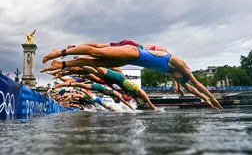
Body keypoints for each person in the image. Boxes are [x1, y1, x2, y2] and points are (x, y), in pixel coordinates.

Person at [41, 44, 223, 109]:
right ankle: (60, 53)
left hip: (134, 59)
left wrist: (207, 101)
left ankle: (62, 64)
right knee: (96, 53)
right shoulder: (179, 64)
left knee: (96, 63)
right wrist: (212, 97)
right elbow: (197, 84)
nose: (183, 83)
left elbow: (192, 88)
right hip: (135, 54)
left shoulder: (176, 75)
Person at [82, 66, 158, 110]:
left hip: (113, 80)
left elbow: (126, 101)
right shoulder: (138, 92)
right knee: (97, 68)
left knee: (95, 73)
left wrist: (133, 108)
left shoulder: (132, 95)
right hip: (117, 78)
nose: (137, 102)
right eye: (140, 102)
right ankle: (86, 60)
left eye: (138, 103)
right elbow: (145, 96)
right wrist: (152, 106)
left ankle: (82, 64)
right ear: (141, 99)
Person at [53, 81, 135, 110]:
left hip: (93, 98)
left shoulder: (118, 96)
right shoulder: (117, 95)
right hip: (94, 97)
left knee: (110, 107)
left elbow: (72, 95)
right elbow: (72, 96)